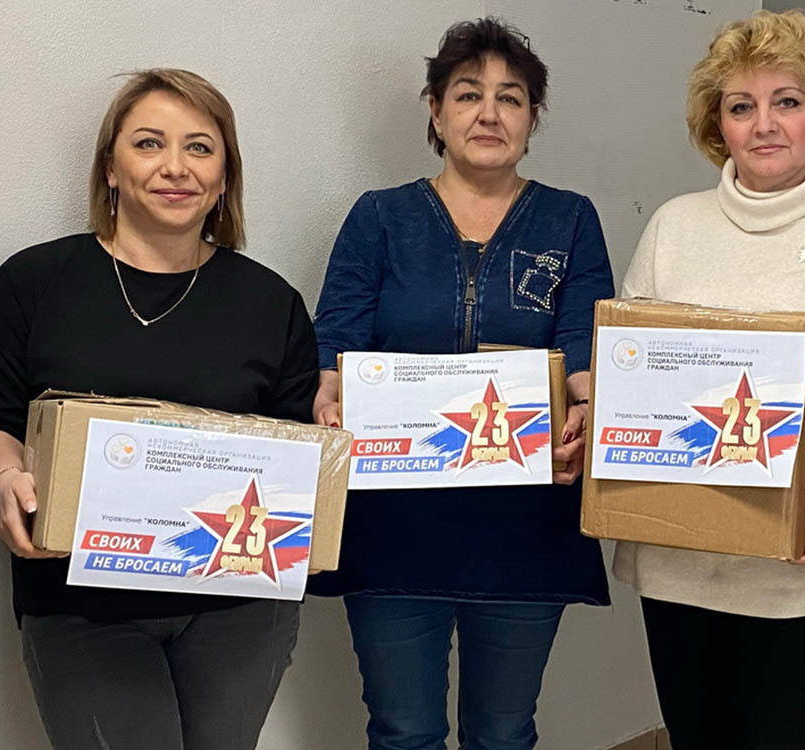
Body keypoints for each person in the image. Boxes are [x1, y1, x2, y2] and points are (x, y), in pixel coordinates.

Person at [0, 69, 317, 750]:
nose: (175, 167)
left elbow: (298, 455)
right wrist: (5, 479)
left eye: (200, 148)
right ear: (110, 167)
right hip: (79, 604)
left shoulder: (270, 303)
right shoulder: (32, 284)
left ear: (223, 177)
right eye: (148, 143)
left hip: (238, 604)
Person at [616, 10, 805, 749]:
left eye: (787, 101)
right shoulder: (673, 227)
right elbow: (633, 373)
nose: (765, 125)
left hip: (796, 569)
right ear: (717, 124)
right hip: (675, 558)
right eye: (741, 106)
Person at [309, 18, 613, 750]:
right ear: (436, 112)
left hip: (524, 524)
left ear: (532, 119)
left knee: (503, 733)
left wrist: (586, 402)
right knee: (402, 731)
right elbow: (337, 336)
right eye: (469, 94)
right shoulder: (380, 217)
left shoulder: (569, 219)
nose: (489, 113)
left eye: (511, 98)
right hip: (394, 524)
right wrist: (327, 397)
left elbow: (584, 337)